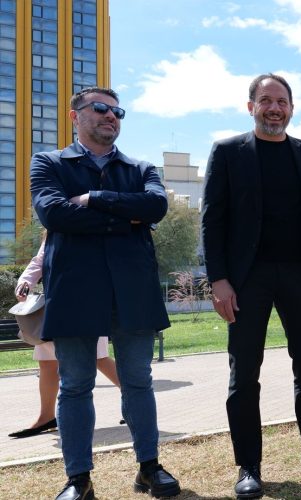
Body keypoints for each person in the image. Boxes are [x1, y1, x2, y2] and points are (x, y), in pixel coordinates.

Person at [30, 87, 180, 499]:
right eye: (100, 109)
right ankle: (79, 478)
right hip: (75, 291)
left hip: (134, 291)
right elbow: (53, 213)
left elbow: (154, 209)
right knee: (75, 384)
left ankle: (149, 467)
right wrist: (125, 218)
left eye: (118, 112)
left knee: (138, 381)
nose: (111, 116)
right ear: (75, 115)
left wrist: (96, 199)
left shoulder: (142, 168)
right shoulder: (48, 163)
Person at [201, 74, 301, 498]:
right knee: (244, 373)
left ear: (292, 108)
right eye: (266, 101)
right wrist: (219, 279)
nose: (274, 108)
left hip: (299, 275)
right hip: (246, 280)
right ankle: (248, 465)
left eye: (281, 101)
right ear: (251, 107)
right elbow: (212, 219)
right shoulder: (227, 152)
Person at [8, 239, 122, 440]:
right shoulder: (54, 227)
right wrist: (25, 281)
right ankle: (46, 417)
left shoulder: (94, 222)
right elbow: (39, 261)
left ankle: (135, 400)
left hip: (88, 306)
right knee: (47, 363)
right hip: (54, 307)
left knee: (98, 358)